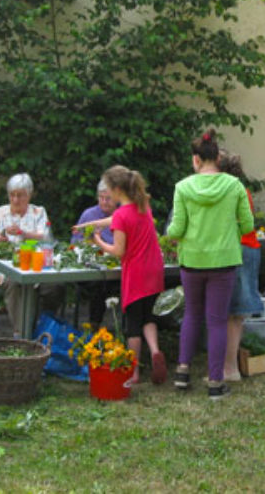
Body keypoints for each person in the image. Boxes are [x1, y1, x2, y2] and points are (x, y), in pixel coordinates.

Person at [167, 129, 254, 400]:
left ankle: (182, 372)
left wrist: (171, 234)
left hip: (191, 260)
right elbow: (249, 225)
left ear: (195, 160)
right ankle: (215, 382)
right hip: (224, 260)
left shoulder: (182, 187)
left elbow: (176, 228)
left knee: (191, 315)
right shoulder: (234, 186)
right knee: (217, 321)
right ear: (218, 157)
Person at [90, 165, 166, 385]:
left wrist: (98, 241)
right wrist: (94, 224)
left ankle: (133, 372)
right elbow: (117, 219)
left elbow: (118, 251)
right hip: (154, 269)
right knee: (148, 317)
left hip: (136, 273)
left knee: (133, 324)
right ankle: (155, 352)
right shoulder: (143, 206)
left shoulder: (122, 215)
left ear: (116, 189)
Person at [0, 173, 62, 336]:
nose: (15, 200)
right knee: (16, 282)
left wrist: (24, 233)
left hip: (36, 266)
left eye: (20, 195)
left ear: (29, 195)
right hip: (3, 267)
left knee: (54, 286)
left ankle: (44, 328)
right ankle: (22, 334)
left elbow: (47, 238)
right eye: (12, 195)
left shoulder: (38, 212)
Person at [218, 151, 264, 382]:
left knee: (230, 314)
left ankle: (229, 368)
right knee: (236, 314)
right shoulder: (241, 189)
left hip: (236, 250)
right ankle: (231, 367)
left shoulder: (227, 191)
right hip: (248, 248)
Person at [71, 180, 120, 327]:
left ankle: (131, 329)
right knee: (100, 283)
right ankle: (94, 325)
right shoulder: (89, 214)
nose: (104, 202)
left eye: (108, 198)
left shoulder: (122, 214)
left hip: (116, 266)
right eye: (101, 197)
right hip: (91, 266)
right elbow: (75, 243)